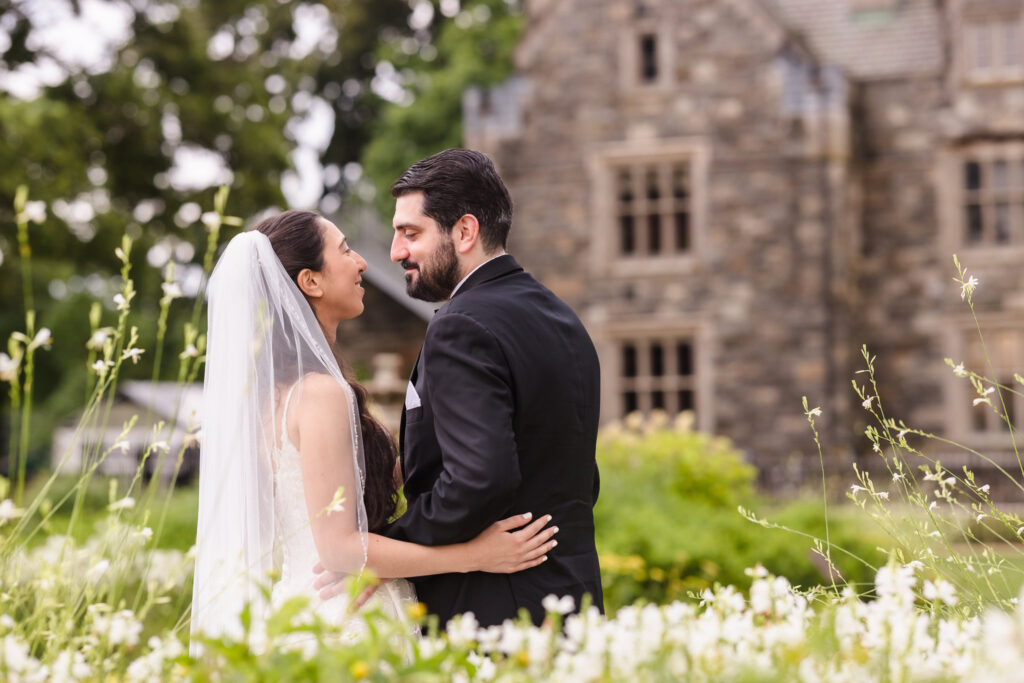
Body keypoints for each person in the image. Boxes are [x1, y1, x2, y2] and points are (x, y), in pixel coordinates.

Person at [189, 210, 557, 651]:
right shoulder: (320, 394)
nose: (362, 262)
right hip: (346, 617)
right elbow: (340, 549)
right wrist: (476, 555)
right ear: (311, 282)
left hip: (302, 607)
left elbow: (343, 487)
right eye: (344, 250)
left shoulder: (274, 395)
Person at [320, 149, 604, 627]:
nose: (395, 252)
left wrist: (389, 547)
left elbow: (479, 479)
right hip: (573, 596)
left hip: (493, 608)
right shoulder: (561, 317)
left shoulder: (460, 327)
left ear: (465, 232)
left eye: (411, 233)